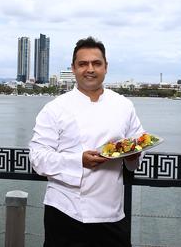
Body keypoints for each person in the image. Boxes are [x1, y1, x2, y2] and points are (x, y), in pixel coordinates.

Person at [28, 36, 146, 247]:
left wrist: (134, 154)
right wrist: (78, 161)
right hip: (65, 211)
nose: (90, 69)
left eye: (96, 63)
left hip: (111, 212)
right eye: (83, 64)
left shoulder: (124, 105)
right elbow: (37, 158)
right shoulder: (55, 108)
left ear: (105, 67)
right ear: (73, 68)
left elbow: (138, 143)